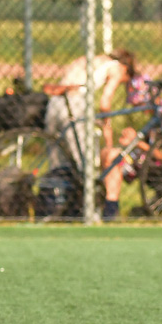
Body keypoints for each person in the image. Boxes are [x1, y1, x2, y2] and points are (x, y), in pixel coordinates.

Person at [43, 50, 147, 220]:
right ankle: (90, 212)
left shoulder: (92, 59)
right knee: (85, 163)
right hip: (75, 103)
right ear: (125, 69)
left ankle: (53, 206)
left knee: (59, 161)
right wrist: (108, 133)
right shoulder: (116, 68)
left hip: (55, 103)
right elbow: (105, 103)